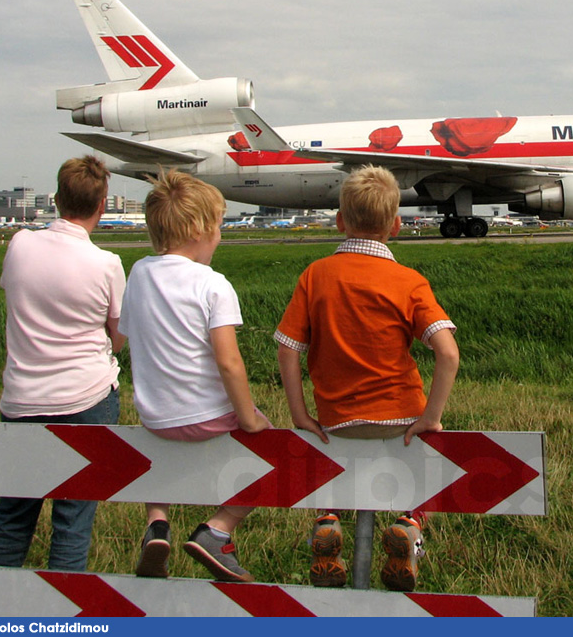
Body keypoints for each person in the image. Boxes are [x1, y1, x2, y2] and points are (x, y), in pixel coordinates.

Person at [276, 165, 460, 591]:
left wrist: (299, 413)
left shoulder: (315, 276)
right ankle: (411, 522)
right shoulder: (409, 282)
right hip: (402, 418)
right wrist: (431, 416)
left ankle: (327, 519)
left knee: (334, 466)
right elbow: (448, 354)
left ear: (340, 221)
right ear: (396, 225)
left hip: (336, 419)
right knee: (429, 465)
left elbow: (288, 349)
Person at [0, 156, 125, 571]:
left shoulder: (20, 243)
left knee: (13, 514)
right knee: (73, 518)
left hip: (23, 397)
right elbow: (119, 335)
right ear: (103, 204)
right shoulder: (107, 264)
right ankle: (62, 613)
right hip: (85, 398)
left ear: (57, 200)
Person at [119, 170, 270, 583]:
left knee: (156, 458)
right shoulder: (213, 284)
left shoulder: (139, 274)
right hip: (206, 415)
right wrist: (248, 418)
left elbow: (125, 334)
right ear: (201, 229)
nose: (220, 235)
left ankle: (157, 521)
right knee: (272, 456)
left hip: (155, 417)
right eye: (219, 226)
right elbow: (228, 363)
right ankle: (218, 530)